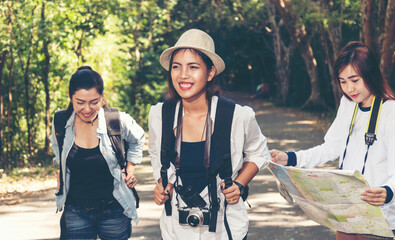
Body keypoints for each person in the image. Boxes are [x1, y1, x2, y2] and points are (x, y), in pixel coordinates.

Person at [148, 29, 270, 239]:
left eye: (193, 67)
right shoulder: (160, 114)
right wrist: (161, 184)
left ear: (210, 72)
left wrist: (239, 184)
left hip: (226, 228)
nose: (183, 75)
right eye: (176, 67)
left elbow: (259, 153)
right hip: (175, 229)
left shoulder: (237, 116)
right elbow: (155, 155)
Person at [270, 42, 395, 240]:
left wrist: (389, 192)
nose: (349, 88)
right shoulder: (348, 104)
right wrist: (290, 158)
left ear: (371, 75)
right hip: (346, 213)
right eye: (343, 81)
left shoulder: (391, 111)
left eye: (354, 80)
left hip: (379, 218)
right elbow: (331, 147)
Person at [50, 66, 145, 240]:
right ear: (70, 97)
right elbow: (57, 147)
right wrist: (61, 171)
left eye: (94, 102)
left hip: (114, 211)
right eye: (80, 102)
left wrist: (130, 168)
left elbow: (138, 138)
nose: (87, 109)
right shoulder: (60, 121)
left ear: (102, 97)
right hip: (76, 212)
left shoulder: (116, 120)